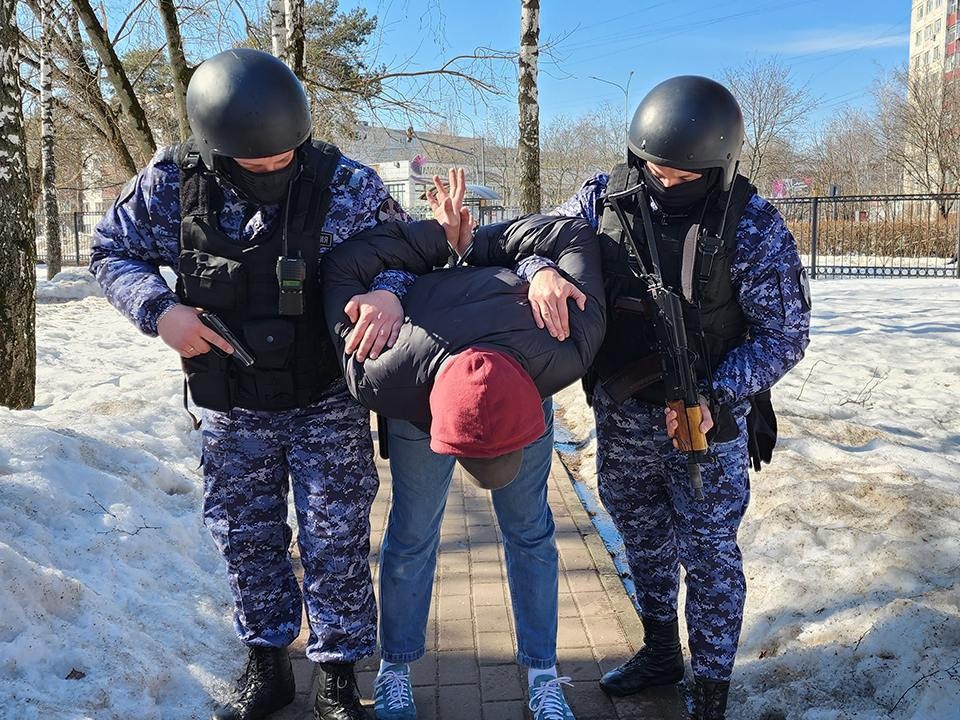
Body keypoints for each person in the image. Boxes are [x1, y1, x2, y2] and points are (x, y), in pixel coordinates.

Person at [89, 48, 414, 720]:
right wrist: (160, 310)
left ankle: (337, 676)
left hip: (325, 396)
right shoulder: (171, 185)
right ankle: (268, 666)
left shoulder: (345, 184)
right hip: (232, 402)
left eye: (283, 157)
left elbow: (407, 251)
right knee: (245, 536)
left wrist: (389, 293)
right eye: (254, 162)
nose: (272, 169)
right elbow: (110, 250)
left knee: (334, 536)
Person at [549, 75, 812, 720]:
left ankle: (712, 690)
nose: (665, 184)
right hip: (624, 418)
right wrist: (539, 274)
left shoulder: (752, 226)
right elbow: (542, 243)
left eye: (684, 176)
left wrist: (718, 393)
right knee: (642, 539)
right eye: (655, 170)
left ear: (718, 166)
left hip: (705, 424)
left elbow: (785, 334)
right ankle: (661, 650)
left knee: (710, 557)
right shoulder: (602, 200)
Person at [321, 198, 606, 720]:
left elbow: (570, 233)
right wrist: (421, 257)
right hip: (425, 388)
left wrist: (536, 267)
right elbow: (343, 265)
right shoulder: (383, 373)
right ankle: (395, 667)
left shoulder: (565, 346)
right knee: (413, 531)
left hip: (516, 376)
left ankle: (543, 673)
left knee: (531, 530)